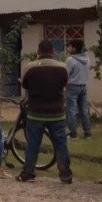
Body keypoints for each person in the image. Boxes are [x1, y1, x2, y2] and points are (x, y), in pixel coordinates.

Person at [17, 39, 72, 183]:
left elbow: (25, 85)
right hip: (57, 113)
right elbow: (65, 83)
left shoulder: (30, 67)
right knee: (61, 143)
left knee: (33, 144)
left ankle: (28, 173)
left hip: (36, 113)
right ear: (53, 52)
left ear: (38, 52)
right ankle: (65, 174)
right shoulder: (63, 67)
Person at [65, 39, 92, 139]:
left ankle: (73, 133)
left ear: (74, 48)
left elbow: (66, 74)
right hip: (83, 86)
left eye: (69, 46)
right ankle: (88, 133)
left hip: (72, 86)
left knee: (71, 110)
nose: (68, 48)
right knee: (84, 110)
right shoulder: (87, 59)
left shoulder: (70, 60)